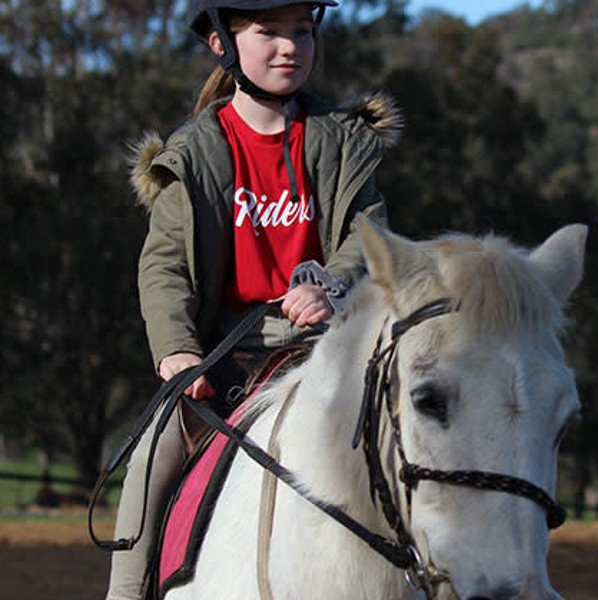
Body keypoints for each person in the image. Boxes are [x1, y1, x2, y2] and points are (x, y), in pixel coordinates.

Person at [105, 1, 403, 598]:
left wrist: (332, 286)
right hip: (223, 363)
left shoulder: (342, 145)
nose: (291, 46)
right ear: (222, 44)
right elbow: (163, 268)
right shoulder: (191, 156)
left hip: (324, 351)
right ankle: (127, 593)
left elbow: (370, 240)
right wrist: (176, 353)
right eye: (269, 32)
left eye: (304, 30)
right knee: (150, 460)